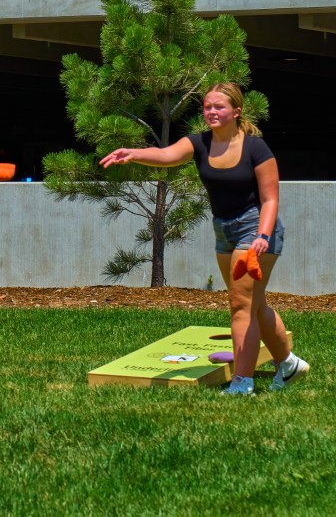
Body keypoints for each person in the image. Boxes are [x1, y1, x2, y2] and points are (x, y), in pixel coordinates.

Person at [100, 82, 309, 396]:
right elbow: (167, 155)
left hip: (255, 228)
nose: (211, 112)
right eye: (207, 107)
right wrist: (133, 153)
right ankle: (289, 364)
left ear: (236, 111)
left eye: (219, 107)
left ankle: (242, 383)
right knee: (253, 304)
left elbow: (270, 199)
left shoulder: (255, 148)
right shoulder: (199, 143)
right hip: (223, 230)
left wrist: (263, 235)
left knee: (240, 305)